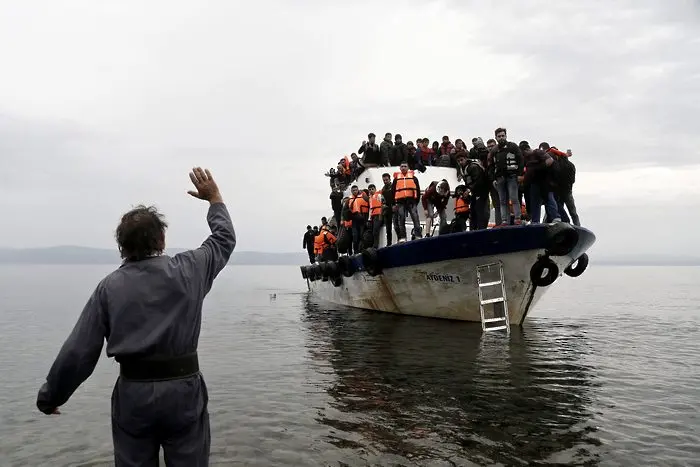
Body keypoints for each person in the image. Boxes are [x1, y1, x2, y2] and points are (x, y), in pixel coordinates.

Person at [35, 167, 237, 466]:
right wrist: (215, 199)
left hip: (134, 395)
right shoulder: (190, 269)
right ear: (162, 238)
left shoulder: (109, 288)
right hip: (183, 390)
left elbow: (79, 351)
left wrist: (51, 397)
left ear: (122, 247)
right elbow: (223, 239)